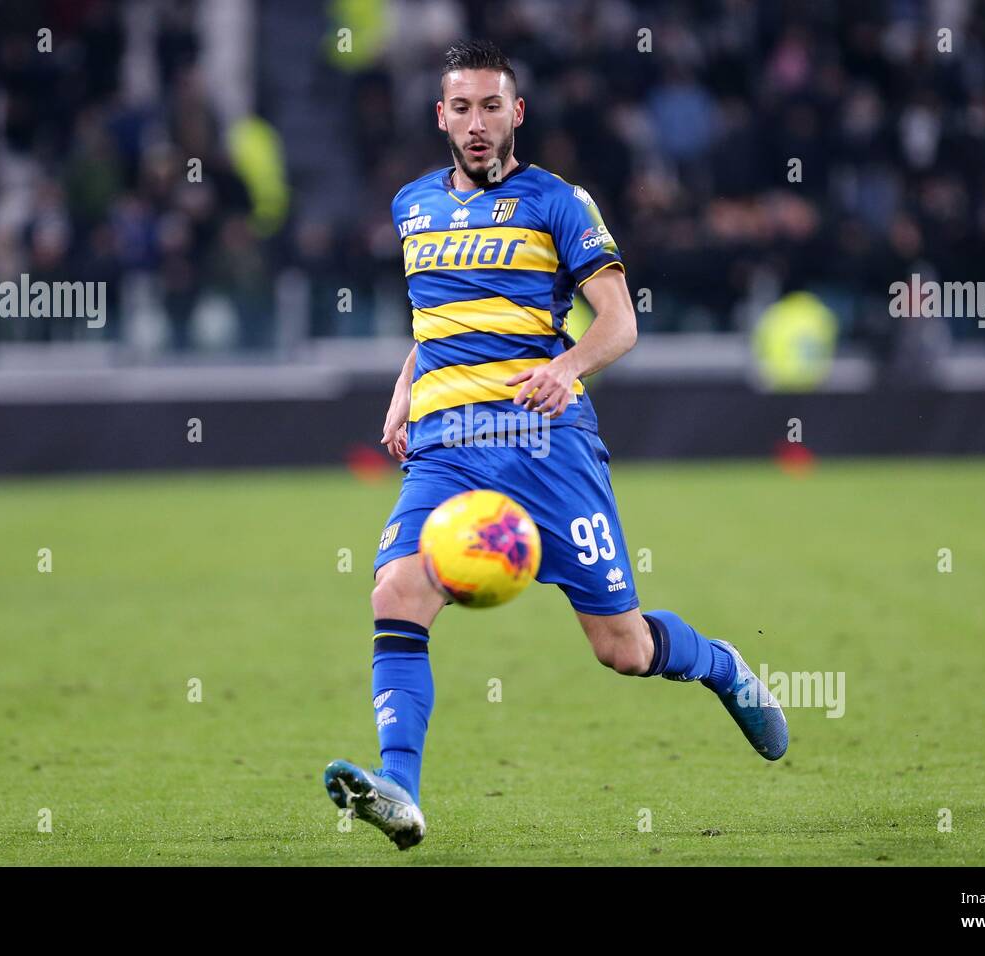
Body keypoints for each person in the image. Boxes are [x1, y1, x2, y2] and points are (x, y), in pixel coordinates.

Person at [324, 40, 787, 850]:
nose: (476, 123)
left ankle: (719, 665)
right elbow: (440, 323)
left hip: (545, 447)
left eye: (491, 107)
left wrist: (567, 368)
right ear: (440, 117)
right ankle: (399, 786)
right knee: (395, 594)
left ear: (517, 113)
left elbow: (620, 321)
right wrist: (403, 392)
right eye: (460, 108)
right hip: (447, 447)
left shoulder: (560, 202)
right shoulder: (411, 206)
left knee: (623, 647)